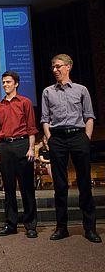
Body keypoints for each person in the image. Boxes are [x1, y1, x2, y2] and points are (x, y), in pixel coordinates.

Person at [41, 54, 102, 243]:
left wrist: (86, 138)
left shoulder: (81, 90)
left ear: (68, 67)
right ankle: (62, 228)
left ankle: (90, 228)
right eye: (53, 67)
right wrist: (50, 139)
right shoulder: (47, 92)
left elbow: (89, 116)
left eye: (58, 66)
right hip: (57, 138)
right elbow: (45, 118)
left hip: (78, 136)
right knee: (60, 185)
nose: (55, 70)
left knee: (84, 183)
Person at [0, 70, 38, 238]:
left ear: (16, 84)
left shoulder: (25, 102)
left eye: (8, 82)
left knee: (27, 188)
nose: (5, 85)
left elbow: (31, 128)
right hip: (5, 147)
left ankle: (30, 225)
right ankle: (10, 224)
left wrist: (31, 148)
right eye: (3, 82)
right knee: (9, 188)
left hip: (22, 144)